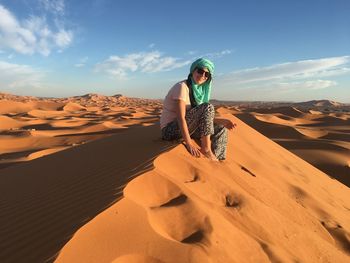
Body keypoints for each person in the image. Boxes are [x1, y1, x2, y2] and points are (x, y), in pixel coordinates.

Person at [160, 58, 236, 161]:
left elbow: (202, 118)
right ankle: (206, 149)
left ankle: (217, 161)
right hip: (170, 131)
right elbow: (181, 118)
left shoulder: (200, 92)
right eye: (200, 71)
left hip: (188, 128)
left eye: (207, 74)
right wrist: (189, 144)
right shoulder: (182, 87)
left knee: (221, 129)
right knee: (208, 106)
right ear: (193, 71)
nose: (203, 75)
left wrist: (222, 121)